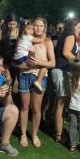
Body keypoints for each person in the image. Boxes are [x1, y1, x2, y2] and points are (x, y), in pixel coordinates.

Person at [17, 17, 55, 147]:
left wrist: (38, 62)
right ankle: (23, 134)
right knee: (24, 107)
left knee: (36, 109)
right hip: (23, 76)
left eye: (41, 26)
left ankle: (34, 134)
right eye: (36, 25)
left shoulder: (47, 42)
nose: (38, 28)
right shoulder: (26, 38)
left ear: (45, 27)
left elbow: (52, 63)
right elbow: (16, 57)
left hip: (39, 77)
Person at [52, 19, 80, 143]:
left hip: (63, 71)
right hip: (61, 71)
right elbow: (66, 53)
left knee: (63, 103)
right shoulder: (70, 35)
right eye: (79, 27)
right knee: (60, 103)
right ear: (73, 27)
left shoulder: (67, 35)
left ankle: (59, 130)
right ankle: (58, 134)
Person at [14, 21, 47, 92]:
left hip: (18, 58)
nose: (31, 31)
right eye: (28, 29)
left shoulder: (21, 37)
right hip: (22, 58)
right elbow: (41, 40)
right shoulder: (28, 37)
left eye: (32, 29)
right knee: (43, 66)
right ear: (24, 29)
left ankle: (37, 81)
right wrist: (44, 35)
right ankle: (38, 81)